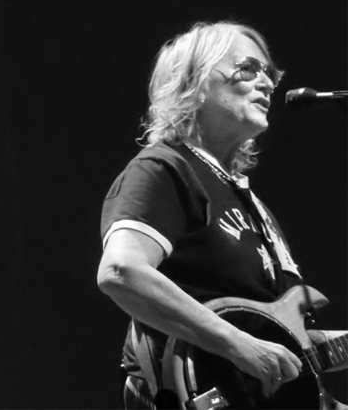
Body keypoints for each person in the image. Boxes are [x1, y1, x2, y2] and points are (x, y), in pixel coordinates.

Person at [97, 21, 307, 408]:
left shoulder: (251, 204)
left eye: (270, 74)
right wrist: (240, 346)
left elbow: (284, 338)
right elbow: (121, 271)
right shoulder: (166, 167)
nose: (266, 83)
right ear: (193, 81)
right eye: (248, 68)